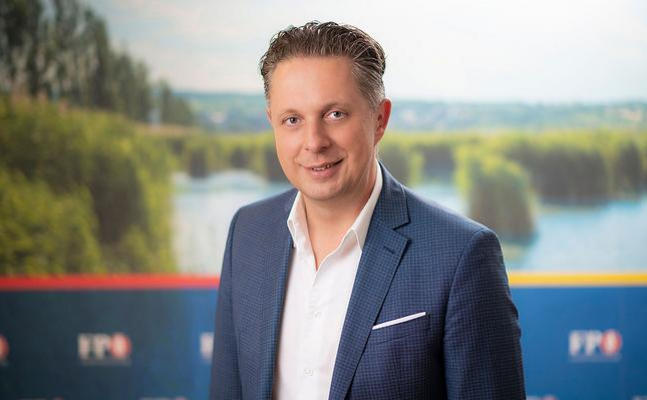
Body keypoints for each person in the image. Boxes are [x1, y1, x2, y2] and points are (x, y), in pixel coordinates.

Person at [210, 21, 525, 400]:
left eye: (335, 114)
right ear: (272, 124)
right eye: (292, 120)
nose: (314, 142)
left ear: (379, 119)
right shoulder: (247, 232)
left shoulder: (461, 255)